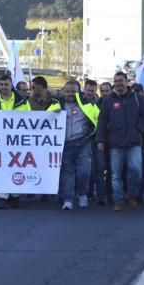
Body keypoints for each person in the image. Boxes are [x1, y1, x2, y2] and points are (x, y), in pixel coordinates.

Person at [95, 72, 144, 211]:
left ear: (127, 82)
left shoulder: (138, 98)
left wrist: (140, 129)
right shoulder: (108, 100)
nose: (119, 83)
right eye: (116, 81)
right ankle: (118, 200)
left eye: (121, 80)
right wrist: (100, 140)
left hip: (134, 142)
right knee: (115, 174)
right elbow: (102, 121)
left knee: (136, 170)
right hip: (115, 143)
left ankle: (132, 195)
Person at [0, 74, 30, 209]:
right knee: (0, 168)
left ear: (11, 85)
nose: (4, 87)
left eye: (6, 84)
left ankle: (14, 196)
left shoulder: (23, 102)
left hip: (17, 141)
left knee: (17, 167)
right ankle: (2, 197)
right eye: (1, 85)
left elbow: (30, 120)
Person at [57, 80, 98, 210]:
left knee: (84, 172)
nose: (70, 94)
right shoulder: (56, 104)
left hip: (83, 142)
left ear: (78, 92)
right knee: (67, 173)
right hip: (65, 144)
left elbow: (100, 119)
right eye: (67, 91)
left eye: (73, 91)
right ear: (63, 91)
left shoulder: (88, 105)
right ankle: (68, 200)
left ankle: (82, 194)